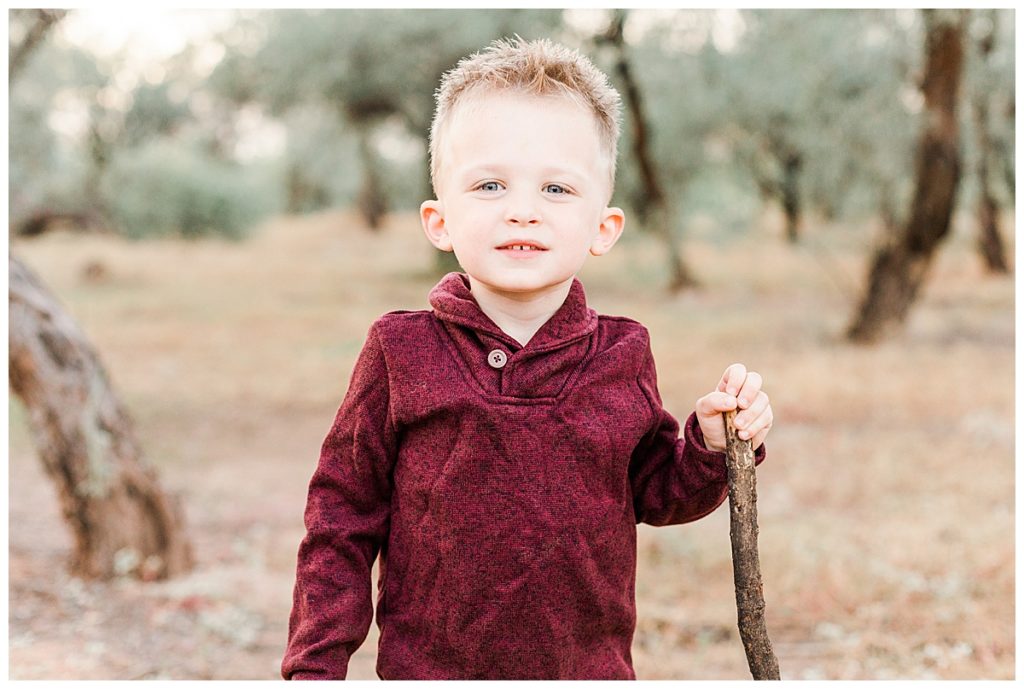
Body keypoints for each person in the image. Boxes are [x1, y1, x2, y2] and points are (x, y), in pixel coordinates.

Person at [282, 36, 773, 680]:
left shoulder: (623, 353)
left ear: (604, 227)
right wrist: (316, 666)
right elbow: (342, 517)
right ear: (439, 221)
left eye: (556, 189)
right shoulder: (401, 352)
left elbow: (657, 491)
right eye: (489, 185)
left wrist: (711, 446)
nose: (521, 212)